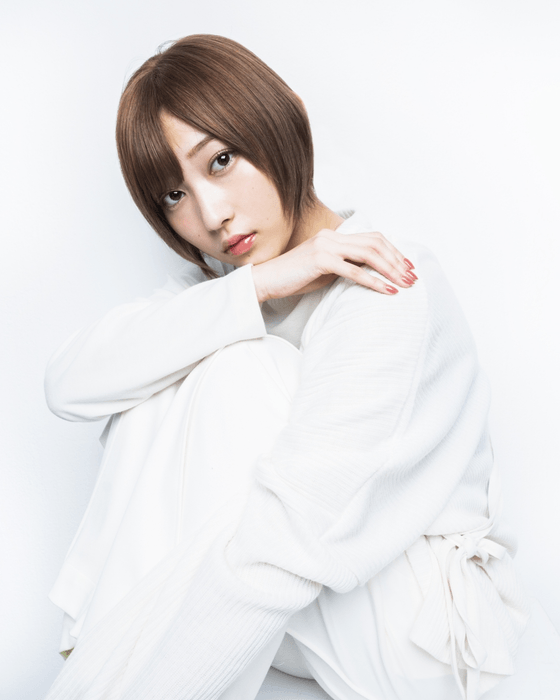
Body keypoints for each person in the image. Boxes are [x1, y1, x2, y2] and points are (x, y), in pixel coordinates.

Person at [43, 34, 529, 700]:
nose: (211, 215)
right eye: (173, 196)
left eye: (221, 160)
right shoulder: (231, 294)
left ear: (285, 119)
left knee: (231, 368)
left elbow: (290, 538)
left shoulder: (388, 283)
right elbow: (71, 384)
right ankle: (96, 668)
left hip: (422, 638)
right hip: (315, 611)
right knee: (160, 373)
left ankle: (94, 670)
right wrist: (261, 284)